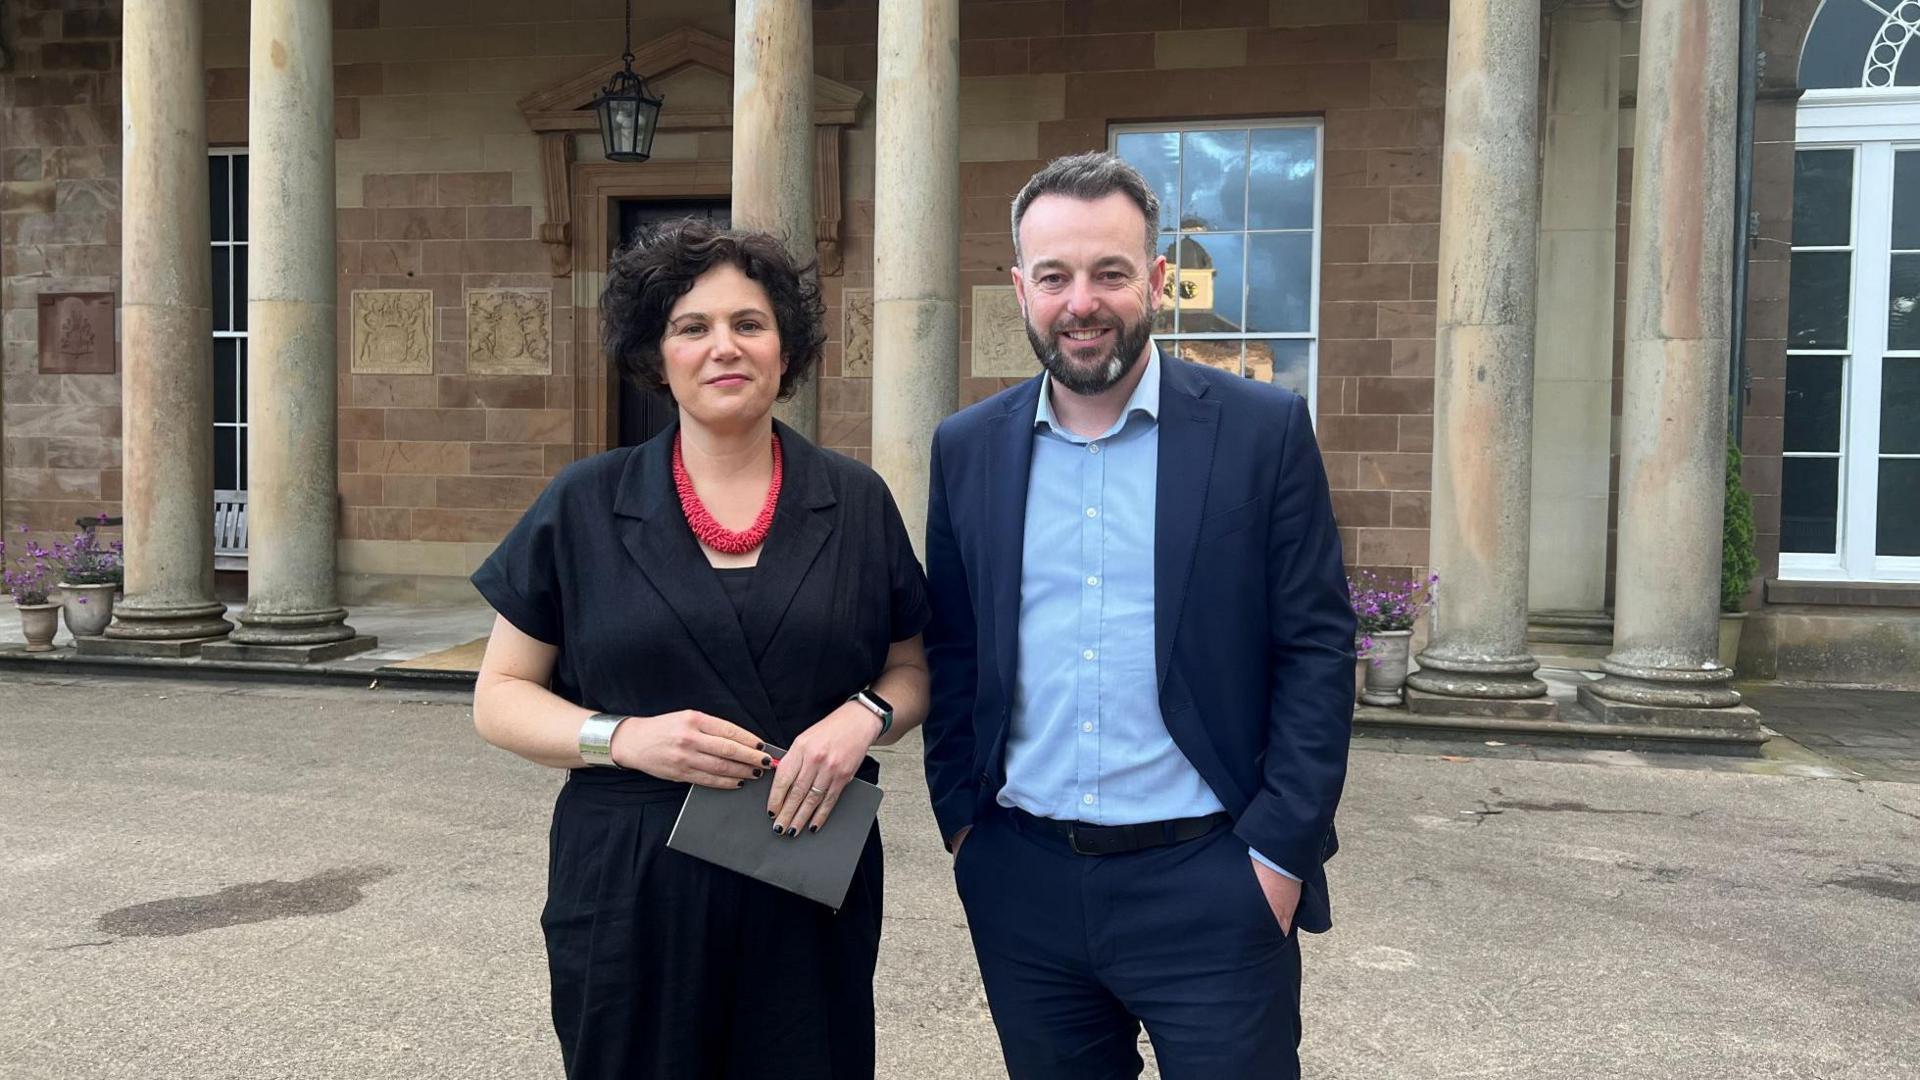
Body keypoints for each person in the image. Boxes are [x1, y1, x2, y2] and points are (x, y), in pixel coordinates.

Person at [921, 151, 1356, 1078]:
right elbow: (956, 647)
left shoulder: (1261, 431)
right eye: (1055, 276)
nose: (1083, 301)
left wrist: (1277, 853)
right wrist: (964, 826)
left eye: (1110, 273)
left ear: (1156, 280)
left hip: (1212, 879)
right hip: (1023, 883)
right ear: (1020, 289)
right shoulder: (966, 449)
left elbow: (1317, 647)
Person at [471, 219, 931, 1080]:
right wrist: (624, 737)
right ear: (659, 352)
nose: (724, 347)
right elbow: (498, 695)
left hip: (805, 864)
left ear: (785, 349)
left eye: (749, 324)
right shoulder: (584, 503)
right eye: (693, 327)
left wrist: (862, 718)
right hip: (629, 883)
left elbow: (912, 670)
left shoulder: (857, 502)